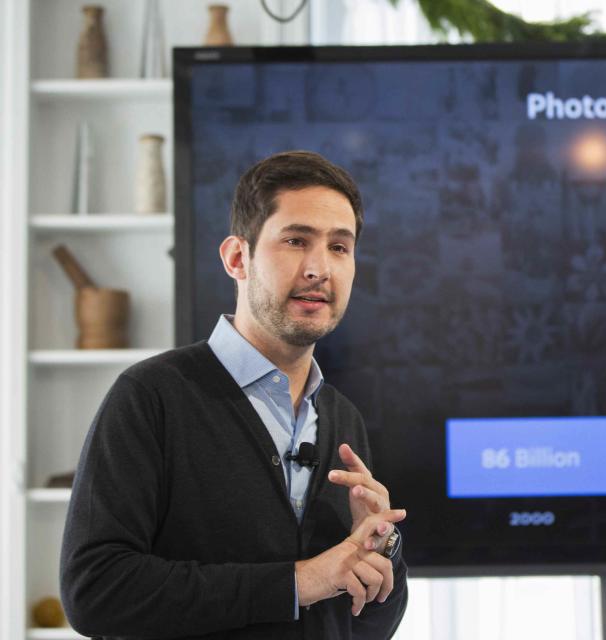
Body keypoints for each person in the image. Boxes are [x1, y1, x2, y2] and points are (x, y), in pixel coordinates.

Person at [60, 151, 408, 639]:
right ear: (236, 258)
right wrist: (298, 582)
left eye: (339, 248)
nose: (318, 268)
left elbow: (365, 627)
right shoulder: (151, 397)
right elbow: (94, 591)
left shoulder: (341, 418)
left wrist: (381, 547)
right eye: (295, 240)